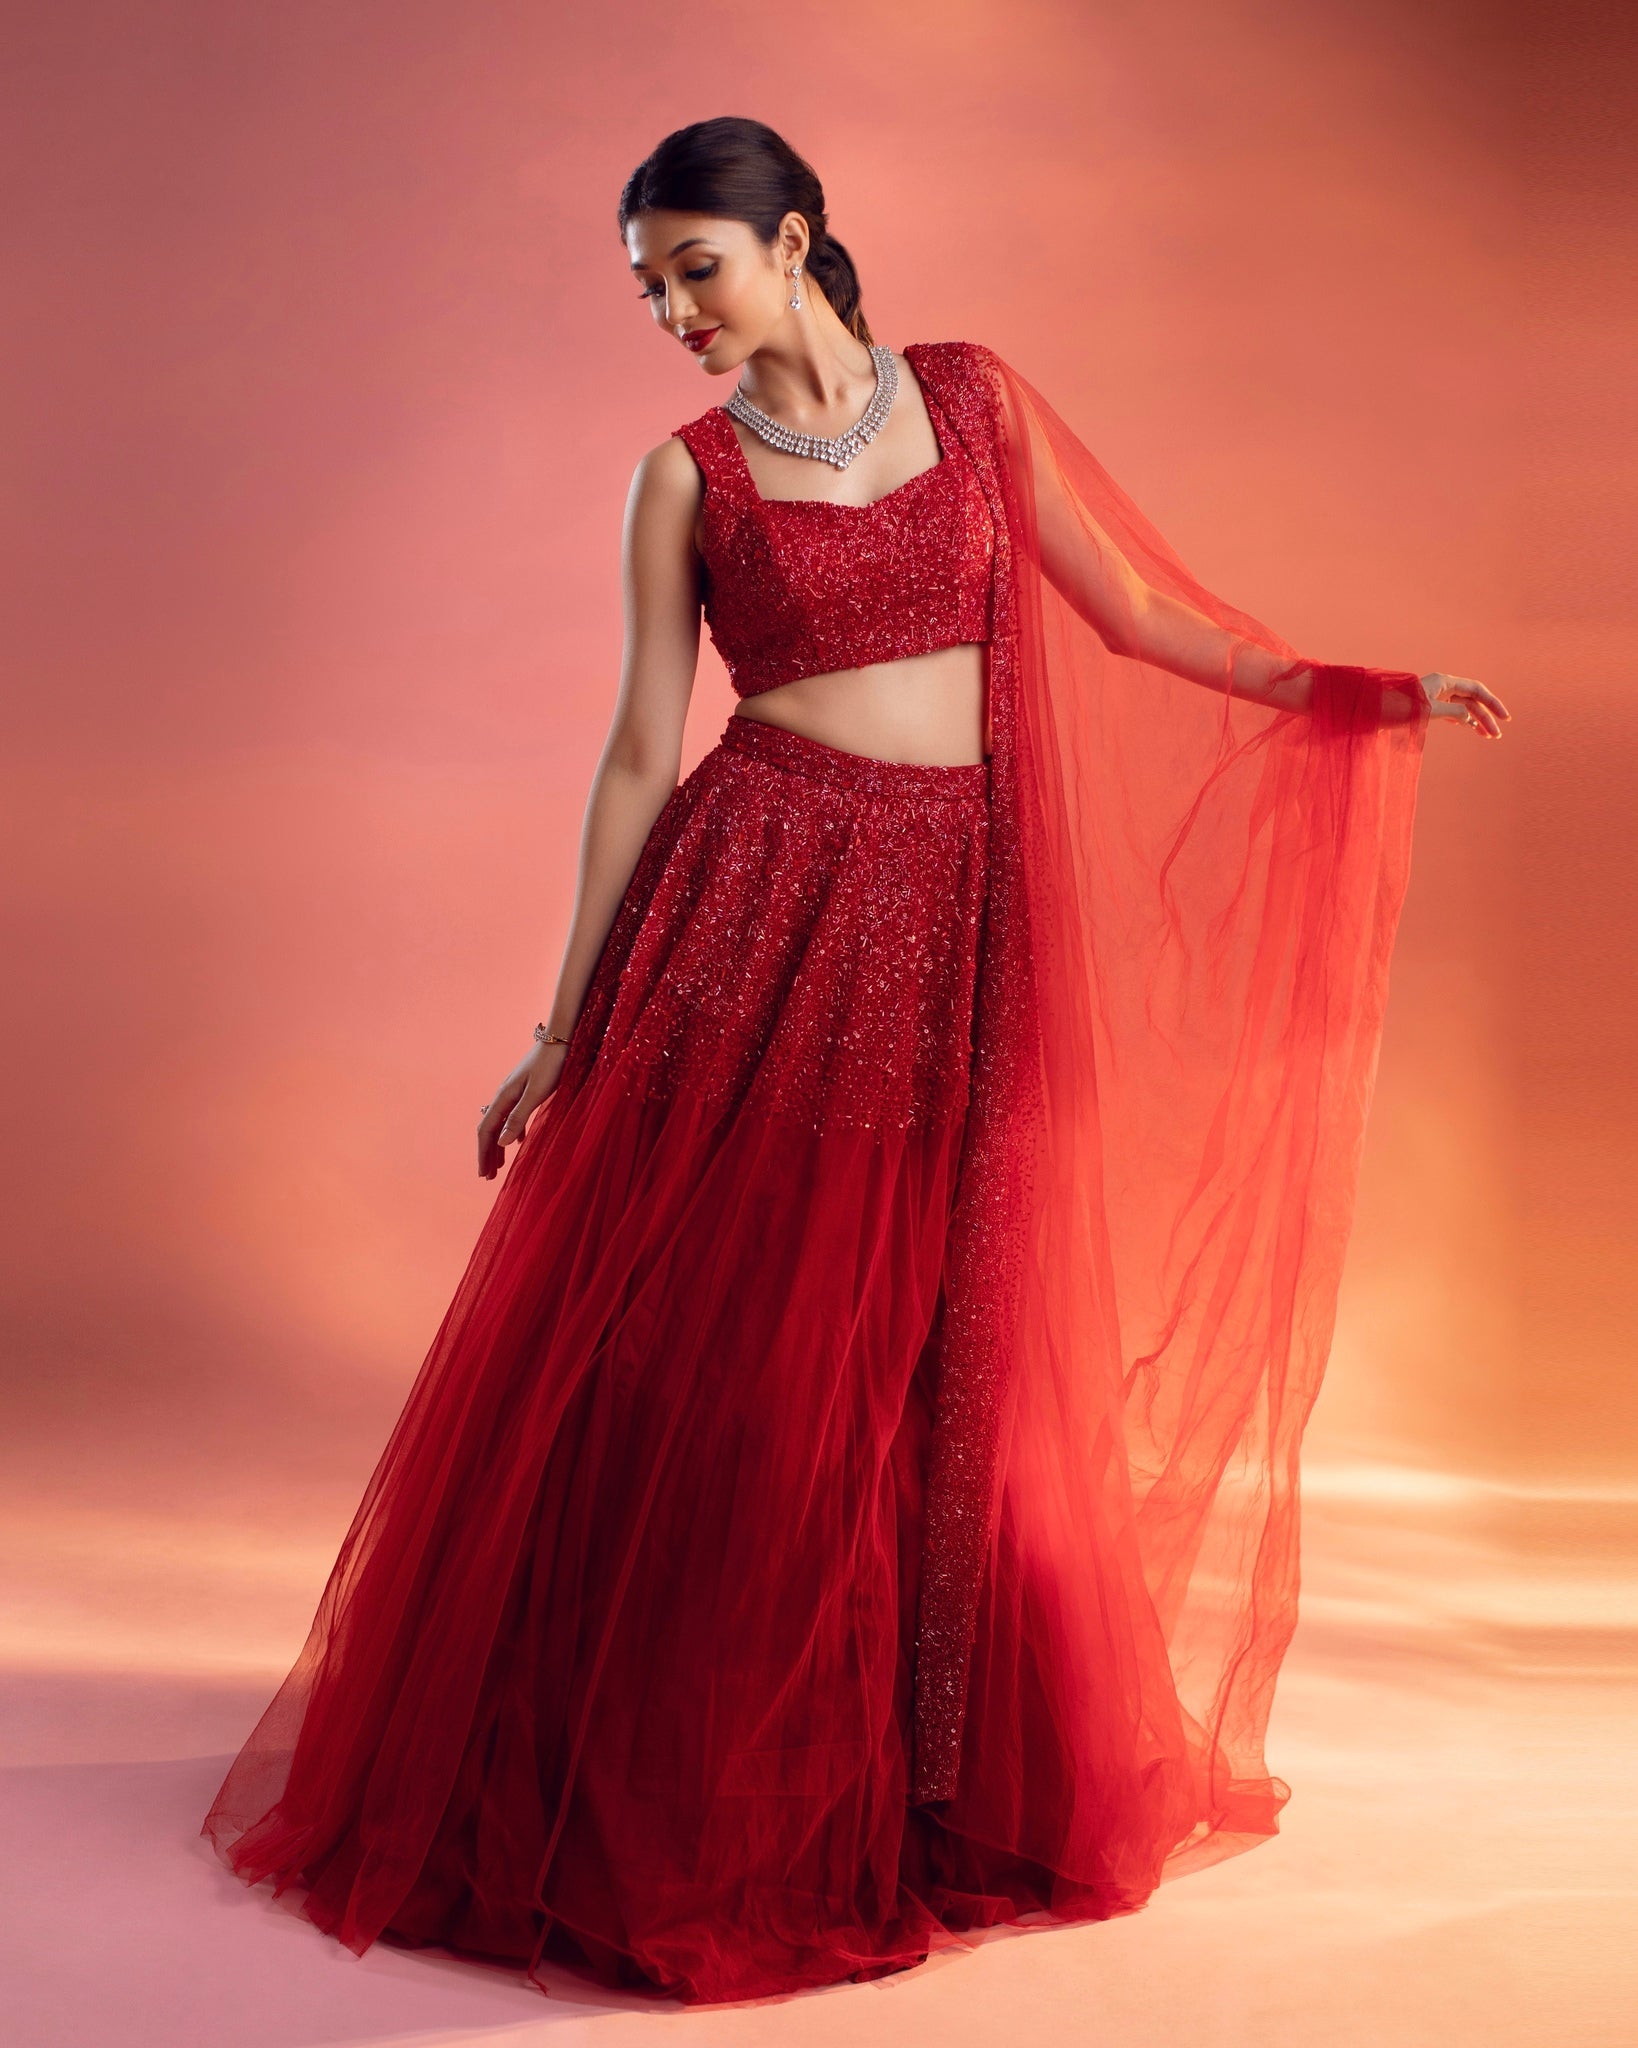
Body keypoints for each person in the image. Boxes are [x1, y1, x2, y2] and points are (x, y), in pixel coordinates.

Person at [200, 116, 1510, 2006]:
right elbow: (639, 751)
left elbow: (1133, 614)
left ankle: (905, 1767)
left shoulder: (971, 401)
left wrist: (1347, 692)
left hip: (953, 915)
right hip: (757, 908)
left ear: (793, 236)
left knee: (917, 1339)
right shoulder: (684, 477)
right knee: (739, 1338)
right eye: (647, 286)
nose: (672, 309)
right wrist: (562, 1024)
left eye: (695, 267)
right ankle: (660, 1779)